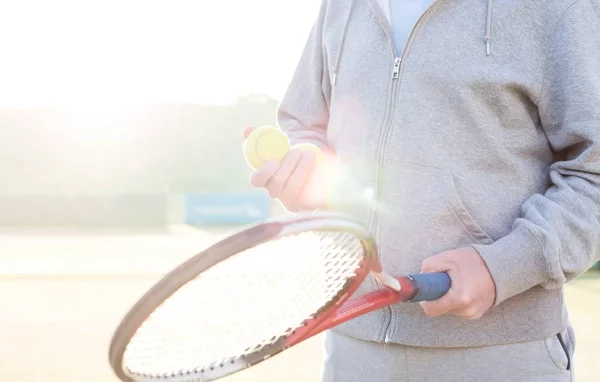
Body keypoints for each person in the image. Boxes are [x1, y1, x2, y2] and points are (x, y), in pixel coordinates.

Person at [243, 0, 600, 380]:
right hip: (351, 346)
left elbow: (592, 173)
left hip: (498, 355)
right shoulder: (340, 6)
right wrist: (309, 172)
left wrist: (504, 267)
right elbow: (307, 125)